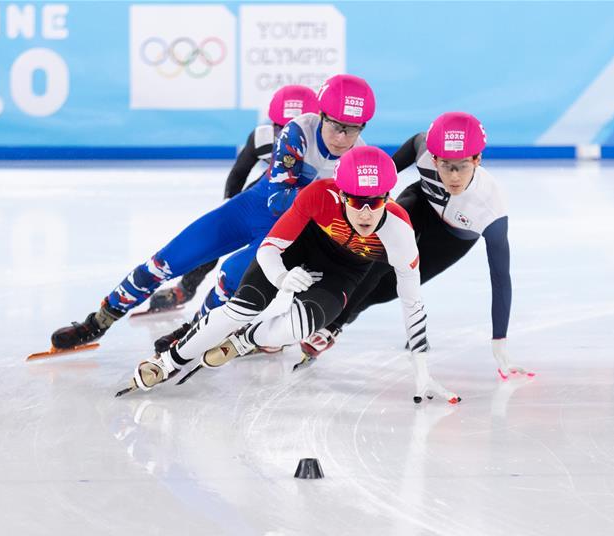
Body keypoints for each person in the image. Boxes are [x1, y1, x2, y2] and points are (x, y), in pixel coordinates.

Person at [49, 74, 375, 353]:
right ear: (321, 115)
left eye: (353, 129)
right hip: (255, 208)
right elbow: (277, 199)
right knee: (163, 263)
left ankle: (195, 331)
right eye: (336, 126)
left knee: (230, 278)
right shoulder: (296, 131)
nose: (343, 138)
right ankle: (99, 321)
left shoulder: (359, 159)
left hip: (284, 232)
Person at [119, 146, 460, 405]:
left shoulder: (399, 232)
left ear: (388, 197)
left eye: (377, 201)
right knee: (243, 306)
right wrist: (282, 277)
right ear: (341, 194)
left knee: (303, 326)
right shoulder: (318, 195)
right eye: (357, 202)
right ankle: (169, 361)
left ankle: (247, 339)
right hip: (297, 251)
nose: (367, 212)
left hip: (343, 272)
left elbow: (413, 304)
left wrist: (422, 372)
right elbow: (269, 248)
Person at [299, 112, 532, 380]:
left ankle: (344, 316)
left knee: (388, 289)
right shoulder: (424, 151)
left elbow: (501, 278)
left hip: (452, 239)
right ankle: (331, 323)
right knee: (377, 259)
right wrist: (381, 182)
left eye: (462, 166)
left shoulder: (490, 209)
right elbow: (413, 143)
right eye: (445, 165)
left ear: (477, 160)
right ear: (434, 159)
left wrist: (499, 343)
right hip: (419, 204)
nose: (453, 177)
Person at [148, 84, 321, 313]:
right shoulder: (261, 138)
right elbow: (239, 172)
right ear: (271, 124)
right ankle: (186, 288)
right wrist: (228, 203)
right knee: (217, 238)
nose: (286, 134)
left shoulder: (328, 147)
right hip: (269, 190)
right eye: (280, 127)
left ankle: (293, 314)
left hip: (305, 202)